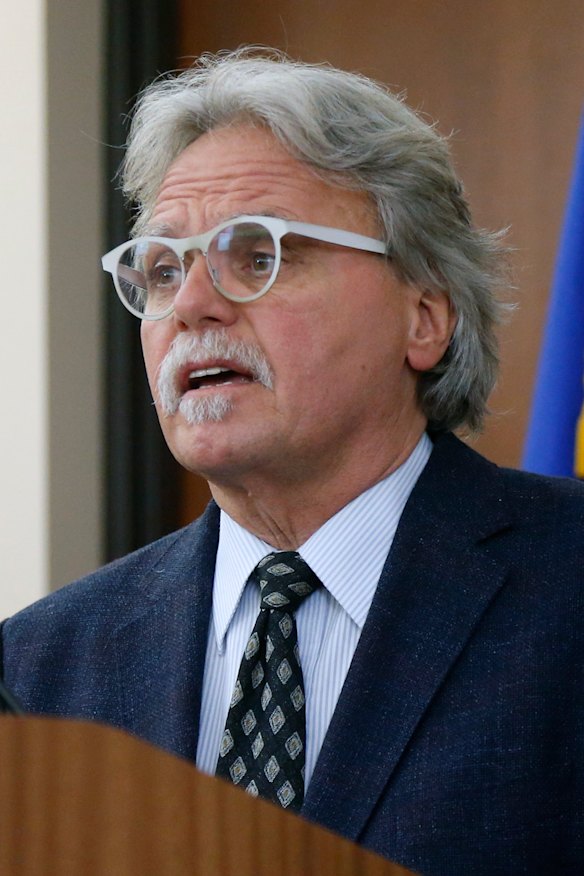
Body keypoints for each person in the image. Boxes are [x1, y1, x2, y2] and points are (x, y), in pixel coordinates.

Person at [1, 48, 583, 876]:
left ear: (424, 317)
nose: (193, 306)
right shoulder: (37, 667)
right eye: (162, 270)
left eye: (259, 254)